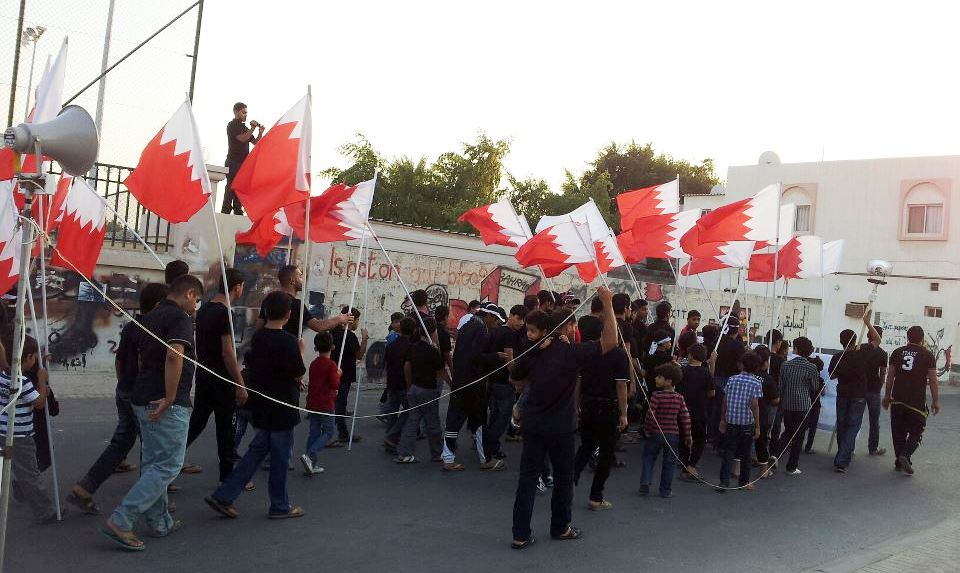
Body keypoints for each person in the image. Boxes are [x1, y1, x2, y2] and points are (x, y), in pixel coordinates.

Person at [510, 287, 618, 550]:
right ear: (568, 327)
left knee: (527, 479)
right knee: (563, 479)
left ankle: (520, 533)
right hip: (560, 428)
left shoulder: (534, 349)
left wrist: (534, 350)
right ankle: (560, 527)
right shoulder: (571, 352)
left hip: (534, 425)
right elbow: (610, 342)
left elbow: (515, 376)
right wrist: (607, 304)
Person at [101, 274, 203, 551]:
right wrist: (170, 397)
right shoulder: (180, 318)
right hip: (164, 400)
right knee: (168, 465)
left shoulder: (150, 316)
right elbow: (174, 355)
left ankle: (159, 521)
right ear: (189, 293)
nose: (196, 306)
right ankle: (122, 519)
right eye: (197, 300)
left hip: (142, 394)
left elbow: (136, 357)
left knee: (153, 462)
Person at [205, 291, 306, 520]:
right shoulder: (289, 341)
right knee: (280, 459)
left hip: (262, 404)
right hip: (282, 407)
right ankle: (280, 506)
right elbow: (298, 372)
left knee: (256, 452)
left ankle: (224, 495)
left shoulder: (259, 337)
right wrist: (300, 351)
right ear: (288, 314)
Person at [69, 283, 168, 515]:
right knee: (153, 449)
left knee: (122, 442)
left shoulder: (132, 326)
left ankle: (85, 487)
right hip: (142, 395)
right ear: (158, 306)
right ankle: (151, 503)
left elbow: (119, 360)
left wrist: (123, 386)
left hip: (125, 389)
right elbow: (144, 364)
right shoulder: (153, 330)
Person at [182, 268, 248, 481]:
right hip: (222, 378)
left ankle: (171, 458)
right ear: (237, 287)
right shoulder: (225, 313)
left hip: (204, 374)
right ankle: (227, 478)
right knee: (226, 428)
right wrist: (240, 383)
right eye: (242, 286)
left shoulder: (204, 309)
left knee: (197, 422)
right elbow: (227, 352)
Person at [572, 297, 629, 510]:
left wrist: (577, 405)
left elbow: (578, 380)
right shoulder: (619, 355)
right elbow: (621, 385)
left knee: (585, 446)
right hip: (608, 407)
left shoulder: (586, 352)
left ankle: (570, 480)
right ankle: (596, 496)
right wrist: (624, 413)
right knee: (606, 453)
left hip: (588, 404)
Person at [0, 333, 56, 523]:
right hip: (21, 435)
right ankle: (44, 511)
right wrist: (42, 380)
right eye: (34, 356)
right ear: (28, 357)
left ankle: (22, 490)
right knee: (30, 473)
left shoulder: (3, 376)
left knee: (13, 467)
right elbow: (39, 403)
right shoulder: (22, 381)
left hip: (4, 431)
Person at [442, 302, 503, 471]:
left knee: (454, 421)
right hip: (474, 383)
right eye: (495, 319)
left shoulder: (467, 325)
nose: (496, 323)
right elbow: (476, 357)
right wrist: (496, 356)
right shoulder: (481, 329)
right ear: (488, 316)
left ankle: (448, 459)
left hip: (460, 381)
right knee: (479, 422)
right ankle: (486, 459)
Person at [884, 324, 939, 476]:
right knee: (917, 430)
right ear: (922, 338)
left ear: (907, 337)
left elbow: (890, 378)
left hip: (897, 399)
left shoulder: (897, 352)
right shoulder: (928, 355)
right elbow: (933, 381)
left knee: (898, 432)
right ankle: (905, 454)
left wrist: (887, 396)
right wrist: (935, 401)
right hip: (916, 402)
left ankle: (899, 461)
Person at [829, 313, 878, 473]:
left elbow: (832, 375)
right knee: (852, 426)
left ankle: (843, 454)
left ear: (841, 342)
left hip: (843, 393)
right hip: (858, 395)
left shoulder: (837, 357)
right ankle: (842, 459)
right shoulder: (862, 352)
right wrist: (868, 323)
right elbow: (877, 340)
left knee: (842, 425)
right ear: (855, 340)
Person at [394, 322, 445, 463]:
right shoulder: (432, 351)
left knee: (412, 421)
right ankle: (437, 453)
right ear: (432, 333)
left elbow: (407, 366)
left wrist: (409, 386)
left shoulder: (413, 347)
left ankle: (405, 453)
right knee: (432, 422)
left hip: (414, 388)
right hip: (428, 389)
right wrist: (453, 384)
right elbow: (441, 370)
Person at [639, 362, 691, 498]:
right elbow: (685, 417)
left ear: (669, 381)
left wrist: (647, 429)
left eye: (659, 377)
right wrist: (688, 435)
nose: (656, 378)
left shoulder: (656, 396)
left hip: (656, 433)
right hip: (673, 434)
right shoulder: (679, 398)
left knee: (649, 457)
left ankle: (645, 482)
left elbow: (650, 415)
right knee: (669, 462)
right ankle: (665, 490)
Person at [258, 265, 352, 337]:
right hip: (287, 351)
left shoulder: (268, 299)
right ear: (292, 281)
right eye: (300, 276)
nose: (303, 280)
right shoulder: (295, 304)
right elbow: (318, 326)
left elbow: (259, 327)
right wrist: (340, 319)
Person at [716, 350, 763, 492]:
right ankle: (744, 482)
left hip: (731, 420)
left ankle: (724, 482)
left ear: (742, 364)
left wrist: (722, 419)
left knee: (728, 452)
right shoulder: (756, 382)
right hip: (747, 422)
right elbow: (755, 405)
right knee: (746, 454)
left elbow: (725, 400)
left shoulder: (732, 379)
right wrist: (758, 426)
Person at [776, 337, 821, 475]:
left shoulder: (785, 365)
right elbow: (815, 387)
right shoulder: (812, 367)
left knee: (788, 431)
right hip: (803, 405)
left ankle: (775, 455)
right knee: (799, 436)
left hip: (788, 404)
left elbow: (781, 386)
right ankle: (791, 466)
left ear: (796, 349)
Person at [480, 306, 516, 465]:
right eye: (519, 318)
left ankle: (491, 446)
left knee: (495, 415)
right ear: (512, 316)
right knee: (503, 416)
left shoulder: (492, 332)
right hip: (503, 382)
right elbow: (509, 359)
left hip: (492, 380)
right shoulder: (508, 334)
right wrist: (515, 378)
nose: (521, 323)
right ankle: (489, 445)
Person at [301, 332, 339, 475]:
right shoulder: (331, 365)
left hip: (313, 402)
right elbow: (334, 384)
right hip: (326, 403)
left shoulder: (314, 363)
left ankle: (311, 462)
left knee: (314, 432)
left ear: (316, 348)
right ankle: (310, 454)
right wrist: (339, 375)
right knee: (328, 431)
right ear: (332, 347)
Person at [330, 307, 368, 445]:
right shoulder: (349, 336)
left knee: (334, 402)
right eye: (357, 320)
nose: (357, 323)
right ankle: (342, 433)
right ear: (352, 320)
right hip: (344, 373)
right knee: (340, 403)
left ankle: (336, 432)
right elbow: (359, 355)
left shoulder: (333, 331)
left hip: (333, 371)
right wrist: (364, 339)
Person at [221, 101, 264, 215]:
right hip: (233, 161)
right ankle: (225, 210)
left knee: (240, 187)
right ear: (236, 112)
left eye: (246, 113)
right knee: (231, 186)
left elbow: (255, 142)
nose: (245, 115)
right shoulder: (232, 125)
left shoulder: (245, 127)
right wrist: (252, 129)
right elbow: (242, 138)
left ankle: (238, 211)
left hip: (243, 163)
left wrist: (260, 132)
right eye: (243, 112)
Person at [677, 344, 713, 479]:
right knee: (700, 439)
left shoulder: (682, 371)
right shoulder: (706, 373)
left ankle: (684, 465)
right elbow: (712, 392)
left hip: (683, 410)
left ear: (691, 356)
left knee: (683, 438)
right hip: (700, 410)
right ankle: (692, 464)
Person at [710, 316, 745, 447]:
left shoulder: (717, 342)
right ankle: (725, 440)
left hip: (717, 378)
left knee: (717, 409)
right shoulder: (738, 345)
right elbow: (741, 364)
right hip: (732, 381)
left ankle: (714, 438)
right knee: (728, 411)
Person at [383, 318, 416, 453]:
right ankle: (391, 436)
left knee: (393, 411)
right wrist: (409, 386)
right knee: (409, 410)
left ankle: (389, 437)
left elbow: (386, 365)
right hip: (403, 383)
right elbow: (408, 367)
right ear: (413, 330)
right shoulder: (410, 346)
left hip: (392, 382)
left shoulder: (391, 345)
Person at [752, 345, 779, 476]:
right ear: (764, 362)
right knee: (761, 443)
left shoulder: (746, 374)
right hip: (761, 416)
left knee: (742, 443)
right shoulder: (767, 379)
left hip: (743, 415)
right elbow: (775, 399)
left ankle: (737, 468)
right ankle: (764, 470)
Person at [862, 325, 888, 456]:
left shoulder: (861, 349)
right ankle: (873, 448)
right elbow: (883, 374)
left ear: (868, 335)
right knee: (874, 421)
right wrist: (879, 386)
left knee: (855, 418)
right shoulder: (883, 353)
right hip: (874, 389)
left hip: (860, 387)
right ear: (880, 336)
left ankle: (850, 448)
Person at [803, 355, 825, 453]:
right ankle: (808, 447)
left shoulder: (806, 377)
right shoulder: (820, 380)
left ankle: (796, 443)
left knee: (802, 425)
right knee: (812, 428)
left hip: (805, 403)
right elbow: (823, 393)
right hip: (816, 405)